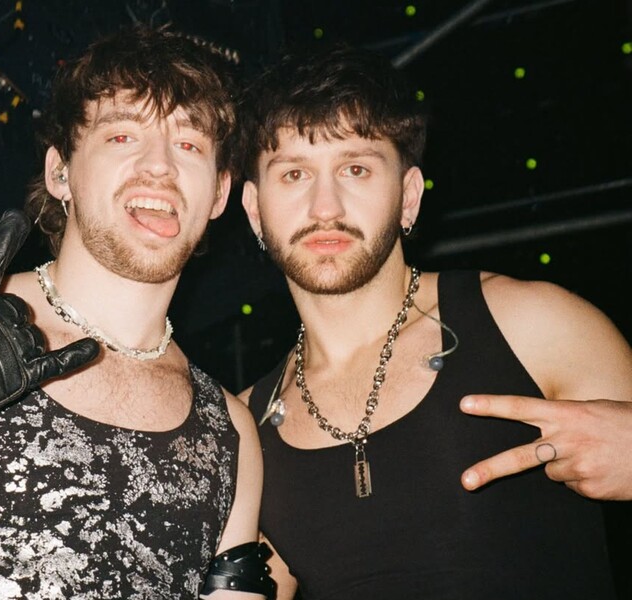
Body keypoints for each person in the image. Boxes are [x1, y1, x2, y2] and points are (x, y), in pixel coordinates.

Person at [0, 26, 275, 599]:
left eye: (189, 144)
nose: (160, 166)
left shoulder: (230, 431)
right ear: (59, 172)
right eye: (122, 135)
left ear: (219, 194)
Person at [237, 43, 632, 599]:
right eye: (295, 173)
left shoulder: (531, 324)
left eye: (355, 169)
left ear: (409, 197)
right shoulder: (244, 431)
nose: (325, 206)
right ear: (255, 210)